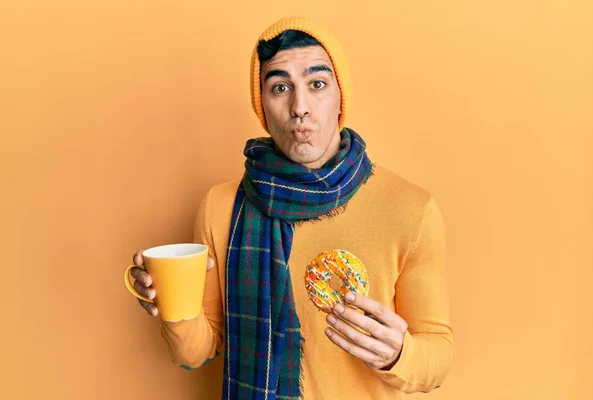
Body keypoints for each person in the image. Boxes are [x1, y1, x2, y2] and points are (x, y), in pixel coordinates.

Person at [128, 16, 454, 399]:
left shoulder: (410, 208)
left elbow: (438, 355)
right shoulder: (222, 207)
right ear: (262, 106)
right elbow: (196, 353)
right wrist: (172, 305)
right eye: (280, 87)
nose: (300, 107)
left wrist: (400, 354)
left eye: (317, 84)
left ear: (340, 98)